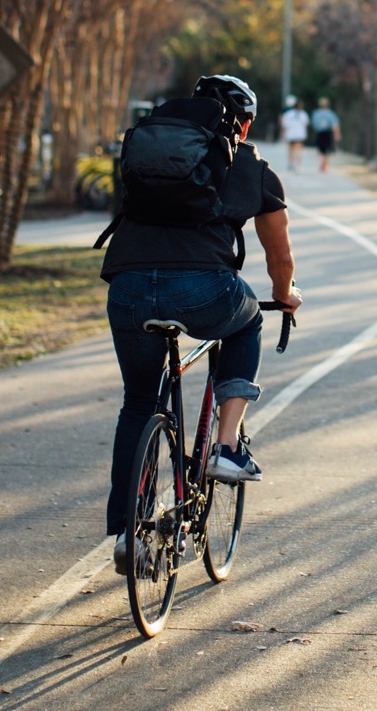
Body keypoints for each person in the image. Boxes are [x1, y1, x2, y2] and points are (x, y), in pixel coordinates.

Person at [99, 74, 303, 574]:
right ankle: (227, 446)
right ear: (245, 123)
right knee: (246, 321)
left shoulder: (152, 151)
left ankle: (127, 530)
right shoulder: (251, 165)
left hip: (126, 288)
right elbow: (279, 256)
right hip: (202, 290)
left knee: (139, 402)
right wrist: (284, 296)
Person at [311, 97, 341, 172]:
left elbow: (314, 125)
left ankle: (323, 163)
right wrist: (337, 134)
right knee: (327, 150)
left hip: (320, 133)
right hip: (327, 132)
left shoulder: (316, 113)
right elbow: (334, 125)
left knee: (321, 150)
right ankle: (326, 164)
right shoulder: (330, 113)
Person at [280, 96, 310, 172]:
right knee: (298, 150)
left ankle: (291, 163)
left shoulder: (288, 114)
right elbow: (306, 124)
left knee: (291, 149)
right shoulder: (303, 114)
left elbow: (284, 125)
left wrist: (282, 134)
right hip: (299, 134)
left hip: (290, 134)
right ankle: (298, 164)